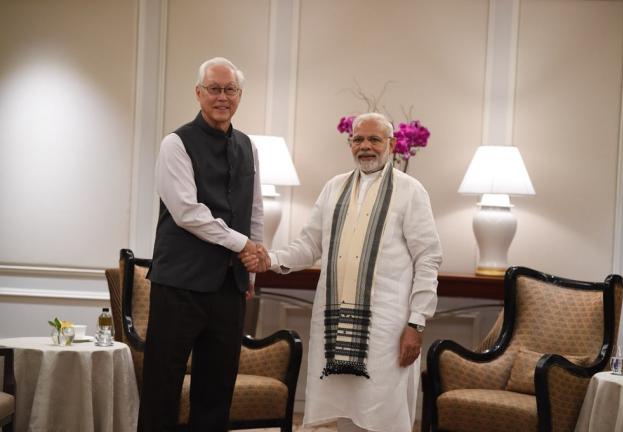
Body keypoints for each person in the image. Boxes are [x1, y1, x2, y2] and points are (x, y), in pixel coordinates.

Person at [243, 112, 443, 431]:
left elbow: (428, 260)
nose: (366, 146)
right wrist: (272, 259)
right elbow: (309, 245)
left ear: (391, 144)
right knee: (346, 413)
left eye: (374, 139)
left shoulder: (410, 191)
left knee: (384, 412)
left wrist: (416, 324)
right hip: (334, 323)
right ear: (350, 144)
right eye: (358, 139)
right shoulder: (334, 188)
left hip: (388, 328)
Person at [139, 57, 264, 432]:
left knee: (216, 390)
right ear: (199, 93)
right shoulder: (175, 143)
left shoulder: (249, 147)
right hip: (179, 286)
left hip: (229, 288)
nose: (222, 97)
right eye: (214, 88)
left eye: (229, 90)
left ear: (239, 96)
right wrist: (242, 243)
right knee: (163, 386)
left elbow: (253, 209)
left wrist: (251, 270)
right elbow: (187, 212)